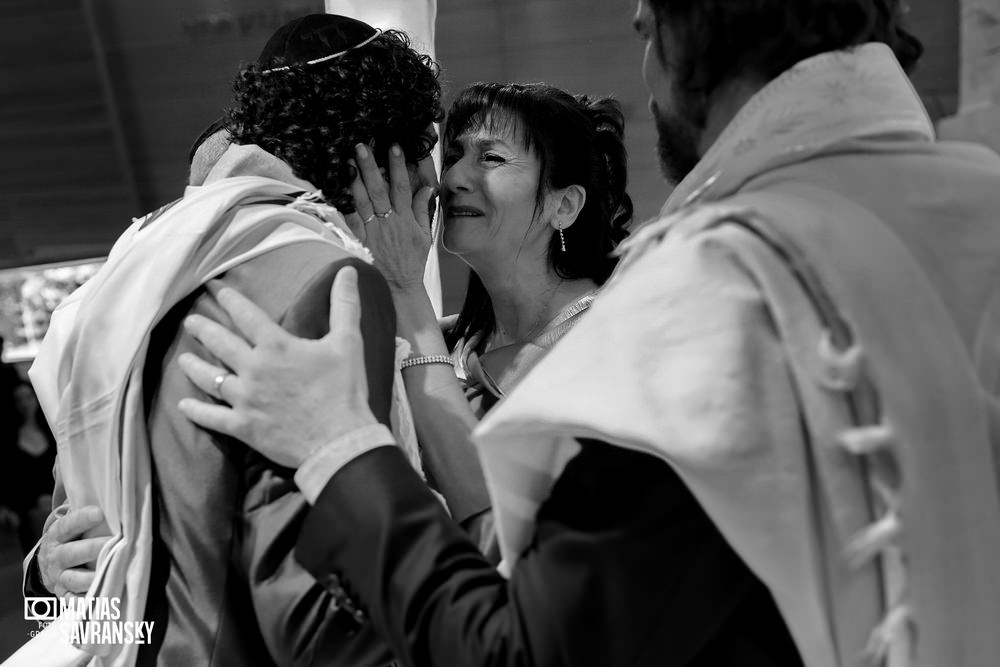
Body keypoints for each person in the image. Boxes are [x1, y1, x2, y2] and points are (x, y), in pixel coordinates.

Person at [177, 0, 1000, 665]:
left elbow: (526, 645)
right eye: (447, 154)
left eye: (645, 28)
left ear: (685, 30)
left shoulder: (709, 294)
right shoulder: (981, 204)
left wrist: (338, 446)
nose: (453, 178)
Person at [19, 14, 451, 667]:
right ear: (381, 152)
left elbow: (90, 606)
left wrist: (42, 582)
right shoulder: (322, 278)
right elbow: (311, 623)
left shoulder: (123, 278)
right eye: (423, 145)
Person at [344, 81, 631, 554]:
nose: (454, 176)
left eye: (491, 158)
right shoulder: (448, 343)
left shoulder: (610, 345)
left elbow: (504, 533)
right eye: (454, 154)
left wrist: (404, 289)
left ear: (565, 205)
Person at [0, 381, 57, 555]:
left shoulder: (52, 429)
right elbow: (8, 479)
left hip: (57, 504)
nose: (25, 403)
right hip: (26, 511)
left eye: (28, 397)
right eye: (19, 400)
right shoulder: (8, 439)